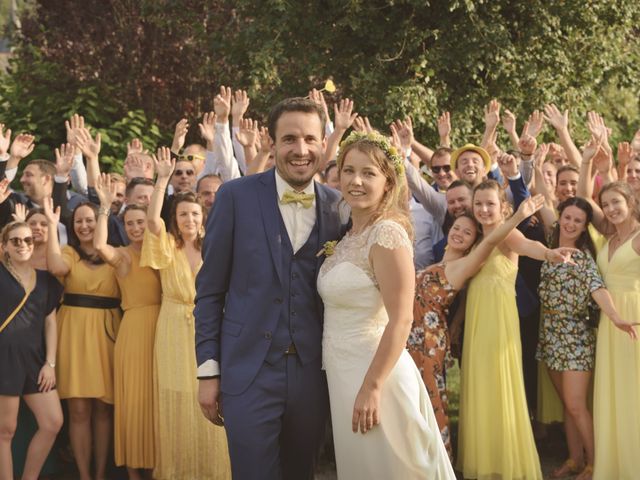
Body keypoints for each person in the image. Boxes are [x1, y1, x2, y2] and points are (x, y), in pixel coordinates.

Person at [195, 97, 343, 479]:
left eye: (311, 139)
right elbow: (210, 293)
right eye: (290, 138)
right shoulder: (234, 197)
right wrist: (208, 372)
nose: (301, 149)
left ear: (323, 144)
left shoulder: (338, 207)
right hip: (248, 371)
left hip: (314, 374)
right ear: (271, 142)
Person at [317, 131, 455, 478]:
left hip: (376, 374)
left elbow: (402, 319)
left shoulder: (387, 234)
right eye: (348, 171)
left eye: (368, 173)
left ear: (388, 180)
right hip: (342, 371)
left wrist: (372, 386)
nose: (356, 181)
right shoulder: (347, 235)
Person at [457, 179, 578, 480]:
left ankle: (505, 459)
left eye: (490, 204)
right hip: (476, 317)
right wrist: (458, 323)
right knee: (479, 382)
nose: (484, 209)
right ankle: (482, 458)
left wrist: (549, 254)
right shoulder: (474, 238)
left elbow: (529, 246)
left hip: (498, 319)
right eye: (479, 204)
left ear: (504, 208)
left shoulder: (507, 233)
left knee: (499, 383)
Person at [409, 194, 544, 456]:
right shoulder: (435, 265)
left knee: (431, 400)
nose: (459, 233)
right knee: (411, 402)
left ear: (474, 242)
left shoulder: (464, 264)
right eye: (457, 228)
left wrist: (519, 215)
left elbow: (494, 239)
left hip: (428, 341)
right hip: (410, 339)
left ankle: (437, 462)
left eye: (468, 233)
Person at [142, 147, 230, 479]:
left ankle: (215, 471)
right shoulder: (168, 247)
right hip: (172, 329)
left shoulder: (216, 246)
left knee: (211, 397)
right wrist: (162, 177)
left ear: (203, 216)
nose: (189, 220)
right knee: (177, 397)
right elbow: (152, 221)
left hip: (209, 328)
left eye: (194, 214)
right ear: (175, 220)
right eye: (183, 215)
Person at [536, 197, 636, 480]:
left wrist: (615, 316)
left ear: (584, 227)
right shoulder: (550, 247)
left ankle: (595, 463)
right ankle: (575, 458)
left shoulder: (582, 257)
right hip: (551, 335)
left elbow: (597, 288)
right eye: (567, 218)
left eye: (577, 221)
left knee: (577, 405)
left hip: (575, 337)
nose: (570, 224)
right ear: (560, 218)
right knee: (568, 404)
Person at [44, 199, 120, 480]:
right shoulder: (68, 253)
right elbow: (55, 268)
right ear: (72, 226)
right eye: (79, 221)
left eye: (90, 219)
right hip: (73, 334)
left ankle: (101, 474)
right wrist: (52, 226)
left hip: (107, 333)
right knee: (78, 410)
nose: (85, 225)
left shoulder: (115, 253)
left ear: (101, 222)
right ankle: (84, 475)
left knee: (103, 409)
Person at [93, 173, 161, 480]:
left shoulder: (161, 252)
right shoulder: (121, 257)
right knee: (134, 404)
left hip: (165, 330)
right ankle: (134, 475)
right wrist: (105, 207)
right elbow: (98, 244)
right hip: (133, 332)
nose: (135, 228)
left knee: (159, 403)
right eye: (130, 223)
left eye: (140, 222)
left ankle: (162, 468)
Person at [0, 221, 63, 480]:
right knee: (6, 431)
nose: (23, 245)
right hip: (4, 360)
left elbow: (50, 322)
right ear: (4, 246)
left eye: (28, 240)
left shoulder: (46, 278)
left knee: (52, 422)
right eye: (15, 241)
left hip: (36, 360)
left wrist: (50, 363)